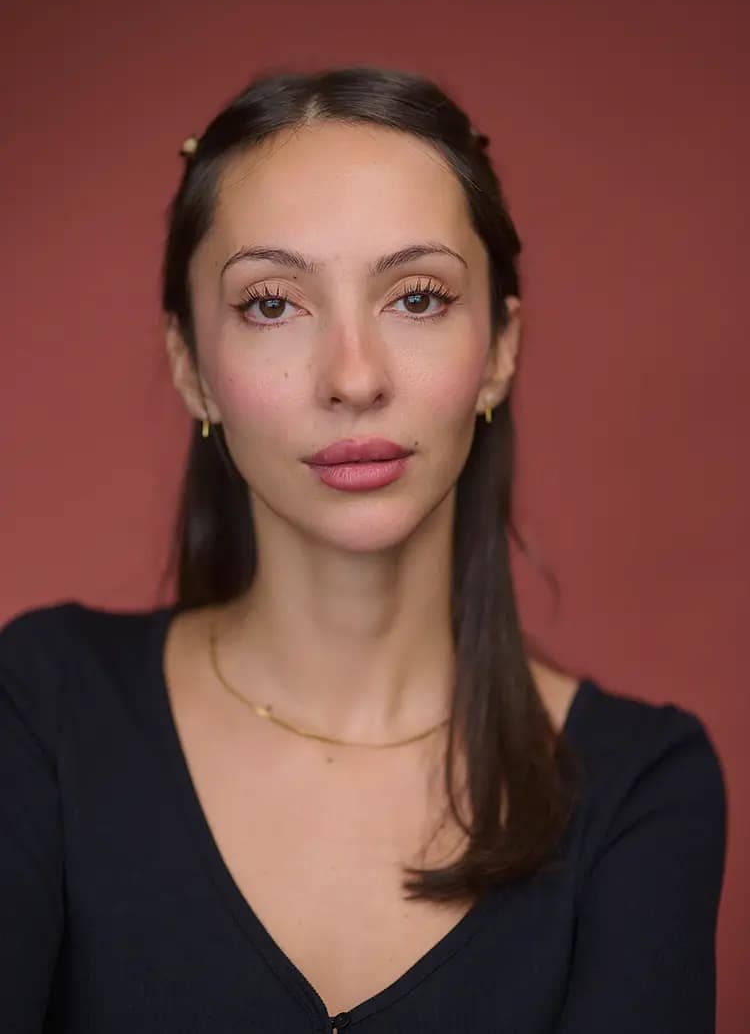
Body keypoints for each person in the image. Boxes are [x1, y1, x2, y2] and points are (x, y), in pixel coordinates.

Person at [0, 65, 727, 1033]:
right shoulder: (43, 706)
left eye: (418, 297)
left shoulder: (642, 785)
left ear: (500, 349)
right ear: (191, 366)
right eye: (272, 303)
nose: (353, 376)